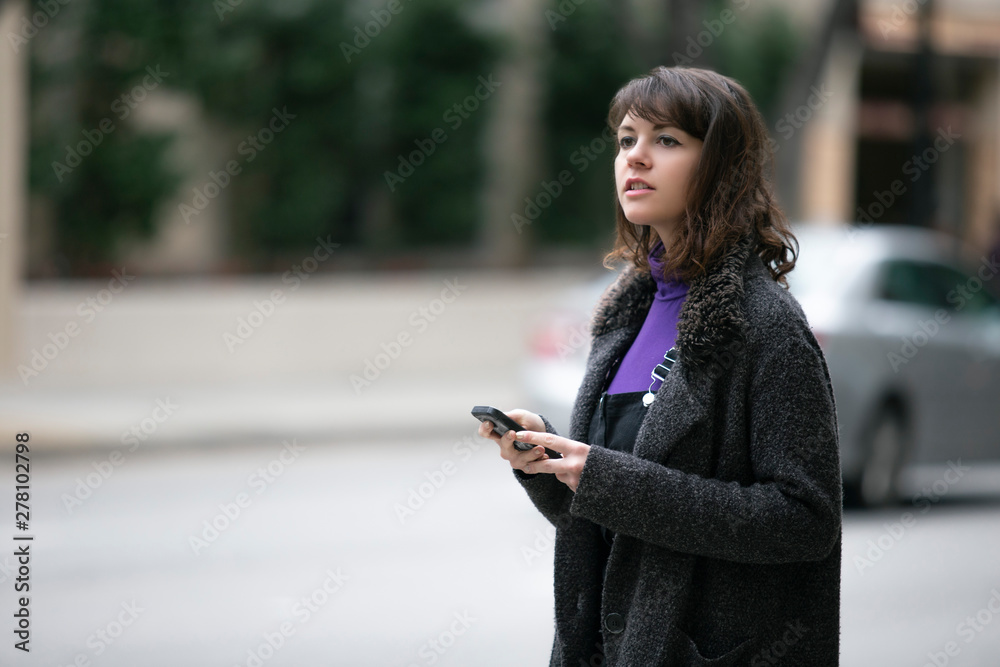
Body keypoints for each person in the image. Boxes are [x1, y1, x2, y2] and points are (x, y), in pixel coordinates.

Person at [476, 65, 842, 666]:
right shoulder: (625, 312)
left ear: (721, 167)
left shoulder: (767, 326)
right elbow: (613, 522)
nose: (635, 158)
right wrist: (551, 467)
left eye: (666, 140)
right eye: (626, 140)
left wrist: (608, 478)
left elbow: (804, 520)